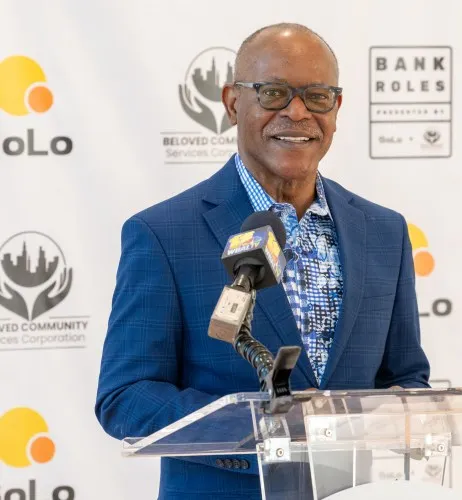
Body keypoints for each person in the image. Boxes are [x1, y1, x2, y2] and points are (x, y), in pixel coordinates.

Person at [95, 22, 430, 500]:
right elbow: (126, 398)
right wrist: (258, 434)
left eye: (317, 96)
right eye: (273, 93)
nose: (297, 113)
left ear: (337, 108)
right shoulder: (164, 234)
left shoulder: (385, 232)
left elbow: (404, 377)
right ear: (233, 103)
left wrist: (400, 415)